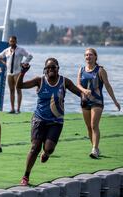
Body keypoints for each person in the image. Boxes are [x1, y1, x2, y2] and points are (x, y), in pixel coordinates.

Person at [17, 58, 82, 186]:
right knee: (35, 147)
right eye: (49, 68)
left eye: (54, 67)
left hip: (56, 121)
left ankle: (46, 153)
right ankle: (26, 176)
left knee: (49, 149)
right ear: (45, 70)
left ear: (58, 68)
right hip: (39, 119)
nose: (51, 69)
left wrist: (85, 98)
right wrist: (22, 72)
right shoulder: (39, 81)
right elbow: (19, 86)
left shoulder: (65, 82)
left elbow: (79, 92)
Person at [76, 48, 121, 159]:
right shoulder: (81, 70)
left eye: (90, 55)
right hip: (85, 101)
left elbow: (108, 86)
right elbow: (78, 85)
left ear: (95, 57)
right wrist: (84, 90)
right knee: (88, 127)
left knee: (94, 125)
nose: (88, 57)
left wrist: (115, 101)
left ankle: (95, 149)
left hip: (97, 101)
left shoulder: (100, 70)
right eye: (86, 55)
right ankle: (95, 148)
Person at [0, 35, 33, 114]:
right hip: (9, 73)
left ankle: (18, 109)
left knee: (18, 90)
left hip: (17, 72)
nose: (12, 43)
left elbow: (30, 56)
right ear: (9, 42)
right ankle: (12, 109)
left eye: (13, 41)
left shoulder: (20, 50)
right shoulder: (7, 50)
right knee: (11, 90)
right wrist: (4, 63)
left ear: (16, 41)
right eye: (10, 41)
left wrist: (24, 63)